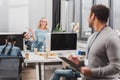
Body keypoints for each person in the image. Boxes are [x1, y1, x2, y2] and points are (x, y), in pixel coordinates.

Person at [69, 4, 120, 80]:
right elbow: (94, 60)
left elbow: (116, 67)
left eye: (88, 15)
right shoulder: (93, 36)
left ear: (93, 16)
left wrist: (92, 72)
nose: (87, 19)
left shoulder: (111, 37)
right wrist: (80, 62)